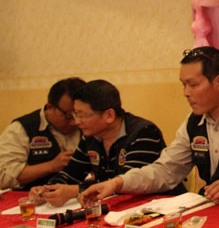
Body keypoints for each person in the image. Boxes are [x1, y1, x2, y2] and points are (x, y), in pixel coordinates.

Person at [81, 46, 219, 204]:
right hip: (214, 213)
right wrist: (118, 183)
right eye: (183, 85)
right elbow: (165, 171)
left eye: (193, 85)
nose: (186, 93)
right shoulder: (194, 122)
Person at [30, 79, 173, 206]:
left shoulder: (143, 132)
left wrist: (75, 191)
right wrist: (46, 189)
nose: (76, 121)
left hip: (155, 207)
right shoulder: (91, 136)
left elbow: (125, 183)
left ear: (109, 115)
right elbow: (71, 173)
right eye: (75, 114)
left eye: (82, 115)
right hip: (112, 207)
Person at [0, 77, 85, 190]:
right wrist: (51, 166)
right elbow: (3, 177)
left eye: (80, 115)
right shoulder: (22, 129)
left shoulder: (89, 125)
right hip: (32, 196)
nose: (75, 122)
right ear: (49, 107)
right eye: (68, 116)